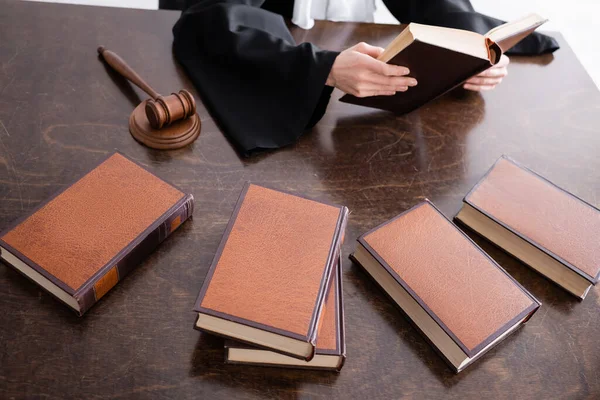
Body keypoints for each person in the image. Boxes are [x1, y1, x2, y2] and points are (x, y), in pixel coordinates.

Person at [173, 0, 558, 156]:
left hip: (359, 84)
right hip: (273, 57)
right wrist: (321, 67)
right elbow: (208, 18)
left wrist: (475, 48)